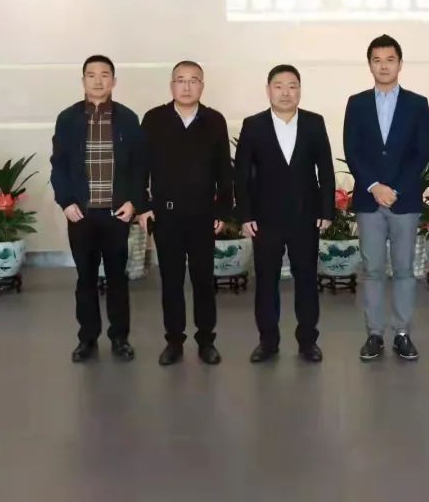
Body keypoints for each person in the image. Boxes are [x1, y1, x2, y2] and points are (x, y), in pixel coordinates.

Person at [234, 65, 335, 364]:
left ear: (299, 90)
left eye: (292, 86)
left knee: (307, 280)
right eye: (279, 86)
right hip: (265, 219)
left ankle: (308, 341)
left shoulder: (314, 123)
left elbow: (326, 170)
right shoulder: (254, 125)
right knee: (266, 282)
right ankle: (268, 342)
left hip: (306, 217)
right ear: (269, 90)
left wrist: (326, 210)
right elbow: (241, 175)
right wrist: (245, 215)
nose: (286, 92)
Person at [50, 55, 145, 363]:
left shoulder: (128, 119)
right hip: (82, 214)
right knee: (85, 279)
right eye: (91, 75)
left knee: (118, 278)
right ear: (83, 81)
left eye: (105, 75)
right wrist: (66, 201)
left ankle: (120, 338)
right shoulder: (68, 119)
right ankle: (87, 338)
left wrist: (133, 201)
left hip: (117, 214)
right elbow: (59, 166)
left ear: (113, 81)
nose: (98, 80)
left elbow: (139, 167)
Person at [137, 61, 232, 366]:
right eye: (180, 80)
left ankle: (206, 340)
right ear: (172, 85)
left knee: (204, 280)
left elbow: (224, 170)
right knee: (171, 281)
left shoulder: (214, 120)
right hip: (166, 217)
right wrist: (143, 206)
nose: (187, 86)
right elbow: (139, 167)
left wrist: (223, 210)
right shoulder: (154, 119)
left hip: (203, 216)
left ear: (202, 86)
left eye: (193, 80)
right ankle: (174, 341)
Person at [343, 35, 429, 361]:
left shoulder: (417, 103)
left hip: (404, 201)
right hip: (370, 201)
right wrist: (373, 186)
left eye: (390, 59)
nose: (384, 66)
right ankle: (375, 334)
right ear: (369, 65)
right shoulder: (357, 103)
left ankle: (403, 333)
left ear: (400, 63)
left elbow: (421, 151)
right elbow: (352, 149)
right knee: (373, 270)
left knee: (405, 270)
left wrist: (396, 189)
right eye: (377, 60)